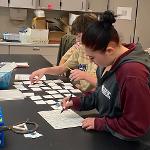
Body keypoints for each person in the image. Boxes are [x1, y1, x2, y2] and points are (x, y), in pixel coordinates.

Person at [61, 10, 150, 141]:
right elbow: (101, 94)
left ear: (109, 50)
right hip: (112, 130)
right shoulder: (108, 61)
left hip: (132, 140)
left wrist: (100, 123)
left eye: (92, 57)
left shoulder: (133, 75)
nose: (91, 61)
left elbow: (135, 126)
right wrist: (77, 102)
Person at [30, 13, 98, 92]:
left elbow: (106, 86)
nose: (76, 40)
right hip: (83, 93)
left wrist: (85, 76)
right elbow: (61, 68)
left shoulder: (102, 54)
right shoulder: (80, 49)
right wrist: (44, 70)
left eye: (79, 36)